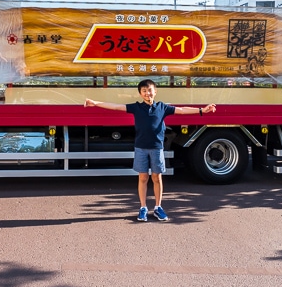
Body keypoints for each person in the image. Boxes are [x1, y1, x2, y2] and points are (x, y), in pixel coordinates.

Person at [84, 79, 216, 222]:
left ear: (155, 91)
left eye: (150, 90)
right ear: (140, 94)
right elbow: (116, 107)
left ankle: (158, 207)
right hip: (141, 148)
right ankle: (143, 208)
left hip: (157, 148)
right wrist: (95, 103)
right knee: (143, 177)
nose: (147, 93)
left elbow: (182, 110)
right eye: (144, 91)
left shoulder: (162, 107)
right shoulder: (136, 108)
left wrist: (202, 110)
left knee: (157, 178)